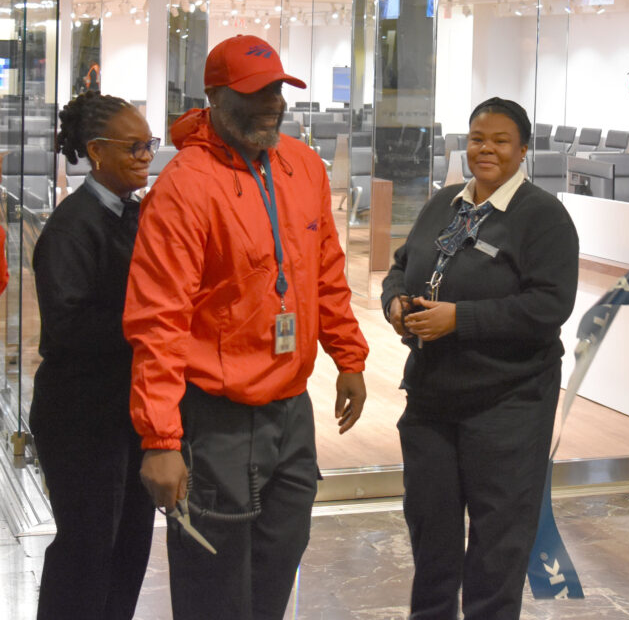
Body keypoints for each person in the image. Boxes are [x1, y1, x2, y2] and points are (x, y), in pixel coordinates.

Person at [123, 34, 369, 620]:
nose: (271, 105)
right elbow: (158, 320)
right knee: (213, 585)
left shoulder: (303, 167)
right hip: (215, 420)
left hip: (291, 412)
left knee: (277, 568)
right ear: (214, 97)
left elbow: (324, 273)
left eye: (278, 91)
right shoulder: (184, 185)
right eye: (255, 93)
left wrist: (349, 356)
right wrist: (161, 439)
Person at [381, 97, 579, 620]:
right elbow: (401, 267)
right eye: (476, 138)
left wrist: (459, 319)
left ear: (523, 150)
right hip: (430, 402)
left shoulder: (542, 216)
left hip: (507, 406)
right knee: (432, 539)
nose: (485, 149)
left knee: (497, 546)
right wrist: (396, 303)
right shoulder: (444, 202)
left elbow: (550, 305)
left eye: (500, 141)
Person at [30, 91, 158, 619]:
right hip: (80, 417)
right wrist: (153, 323)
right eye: (135, 147)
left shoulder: (132, 215)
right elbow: (68, 327)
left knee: (129, 550)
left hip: (124, 412)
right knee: (85, 553)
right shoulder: (72, 226)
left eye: (151, 145)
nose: (147, 156)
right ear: (97, 152)